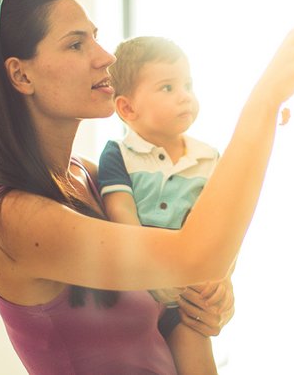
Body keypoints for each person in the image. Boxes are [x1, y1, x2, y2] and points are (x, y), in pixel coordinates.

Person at [0, 0, 294, 374]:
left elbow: (185, 268)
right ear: (21, 76)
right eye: (76, 44)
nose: (105, 57)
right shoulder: (14, 220)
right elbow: (195, 254)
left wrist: (208, 298)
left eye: (96, 38)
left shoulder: (87, 176)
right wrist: (265, 97)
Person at [97, 36, 228, 374]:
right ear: (127, 108)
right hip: (133, 295)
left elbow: (223, 226)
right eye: (168, 88)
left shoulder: (209, 157)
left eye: (188, 84)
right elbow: (122, 217)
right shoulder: (118, 155)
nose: (185, 95)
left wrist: (220, 278)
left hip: (186, 299)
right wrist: (151, 275)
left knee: (198, 358)